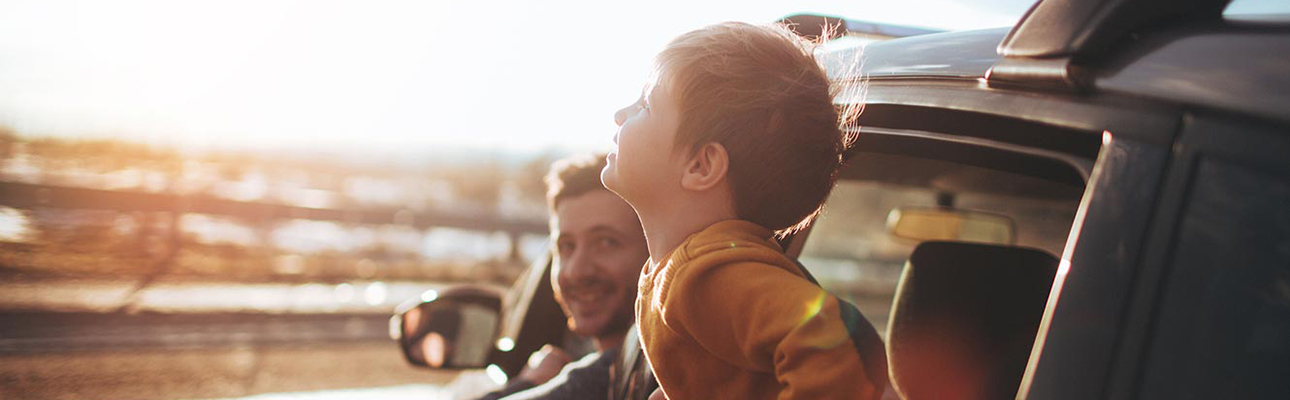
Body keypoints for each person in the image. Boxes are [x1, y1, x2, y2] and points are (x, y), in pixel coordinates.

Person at [601, 22, 887, 400]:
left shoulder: (707, 273)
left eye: (646, 105)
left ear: (701, 166)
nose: (621, 113)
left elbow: (843, 347)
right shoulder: (686, 269)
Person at [475, 153, 650, 400]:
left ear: (653, 253)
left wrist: (525, 385)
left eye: (606, 242)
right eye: (566, 246)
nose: (576, 270)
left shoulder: (608, 378)